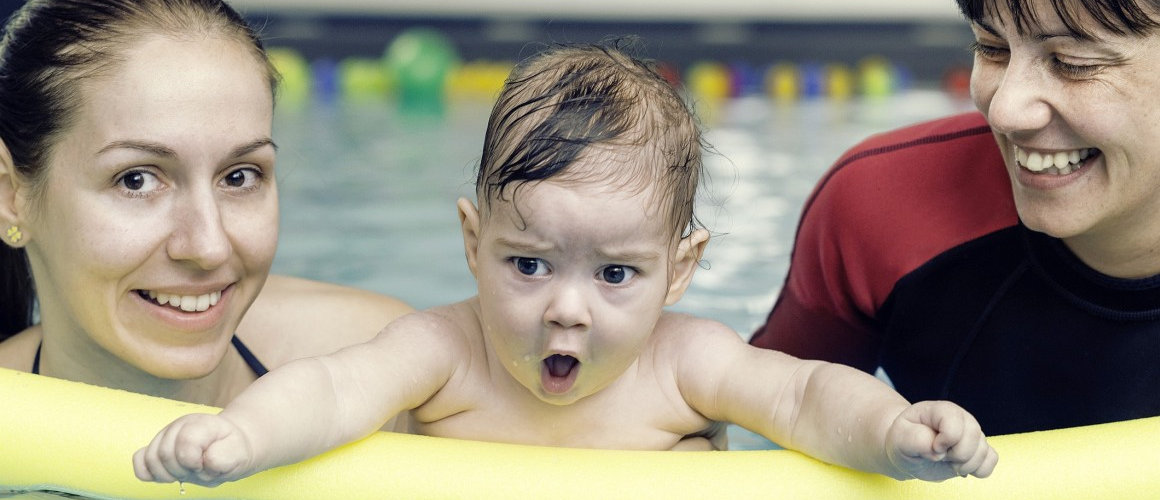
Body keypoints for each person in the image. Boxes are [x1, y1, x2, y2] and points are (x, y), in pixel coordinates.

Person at [133, 43, 997, 487]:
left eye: (616, 274)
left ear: (682, 268)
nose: (567, 310)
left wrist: (893, 432)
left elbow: (806, 396)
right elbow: (328, 391)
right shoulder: (442, 352)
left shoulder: (683, 364)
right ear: (473, 243)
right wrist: (242, 435)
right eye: (529, 265)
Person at [751, 0, 1160, 436]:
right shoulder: (887, 205)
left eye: (1073, 64)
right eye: (991, 48)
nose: (1004, 112)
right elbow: (754, 435)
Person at [0, 0, 411, 410]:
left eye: (239, 176)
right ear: (10, 197)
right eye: (137, 180)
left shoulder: (386, 367)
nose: (209, 247)